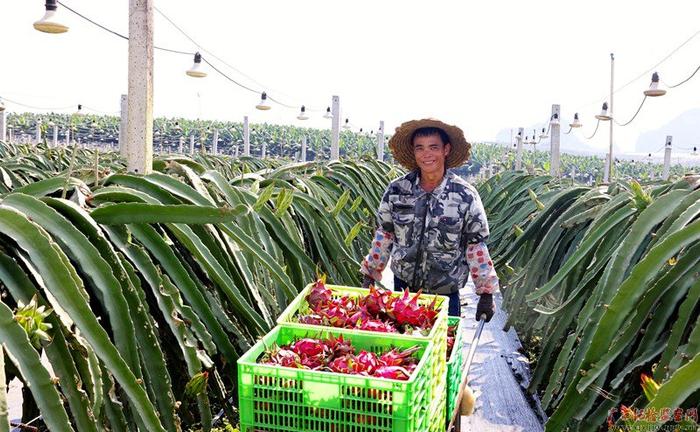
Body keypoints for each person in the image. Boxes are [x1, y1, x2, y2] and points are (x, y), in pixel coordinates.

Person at [359, 118, 498, 322]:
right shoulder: (397, 190)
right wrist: (370, 274)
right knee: (405, 349)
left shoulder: (465, 195)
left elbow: (475, 246)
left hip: (444, 294)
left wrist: (486, 293)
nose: (427, 154)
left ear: (446, 150)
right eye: (420, 148)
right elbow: (385, 234)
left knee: (443, 349)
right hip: (403, 292)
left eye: (433, 147)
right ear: (414, 152)